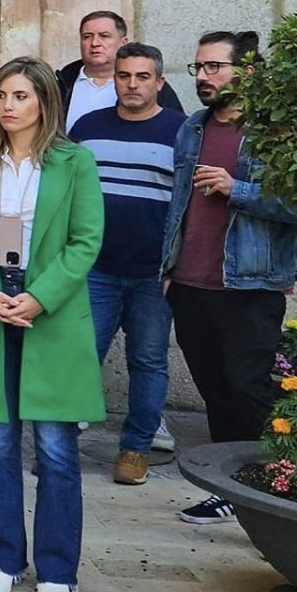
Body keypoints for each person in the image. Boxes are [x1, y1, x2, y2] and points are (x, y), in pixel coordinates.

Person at [0, 56, 104, 592]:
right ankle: (3, 557)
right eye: (2, 97)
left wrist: (39, 298)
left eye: (21, 97)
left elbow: (85, 241)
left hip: (51, 310)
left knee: (57, 447)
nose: (9, 107)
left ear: (43, 102)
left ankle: (59, 566)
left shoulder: (74, 162)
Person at [163, 30, 297, 527]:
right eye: (198, 68)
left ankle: (266, 485)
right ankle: (229, 486)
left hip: (250, 286)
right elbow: (178, 207)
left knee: (247, 388)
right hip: (190, 283)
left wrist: (238, 188)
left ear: (246, 72)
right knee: (215, 390)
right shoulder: (192, 128)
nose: (203, 78)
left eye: (213, 68)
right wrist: (168, 270)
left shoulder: (276, 132)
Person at [68, 42, 188, 487]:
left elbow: (189, 206)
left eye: (142, 77)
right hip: (94, 268)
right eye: (124, 76)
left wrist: (179, 265)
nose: (132, 85)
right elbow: (66, 195)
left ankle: (136, 448)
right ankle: (60, 445)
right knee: (80, 356)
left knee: (149, 361)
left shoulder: (182, 131)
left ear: (159, 82)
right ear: (113, 78)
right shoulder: (87, 127)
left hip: (154, 274)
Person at [57, 10, 183, 130]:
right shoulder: (61, 84)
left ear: (123, 43)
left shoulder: (152, 87)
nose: (95, 43)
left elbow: (177, 132)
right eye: (87, 37)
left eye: (104, 36)